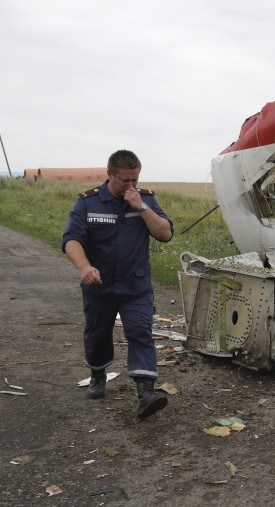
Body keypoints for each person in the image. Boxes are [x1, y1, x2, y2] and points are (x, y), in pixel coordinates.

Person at [62, 150, 173, 419]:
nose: (131, 186)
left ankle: (146, 393)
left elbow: (165, 233)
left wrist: (142, 207)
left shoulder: (145, 199)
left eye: (135, 179)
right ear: (109, 174)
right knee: (98, 334)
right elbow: (72, 239)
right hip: (99, 286)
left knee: (139, 331)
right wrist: (84, 267)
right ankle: (98, 374)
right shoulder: (88, 202)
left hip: (135, 286)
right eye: (125, 181)